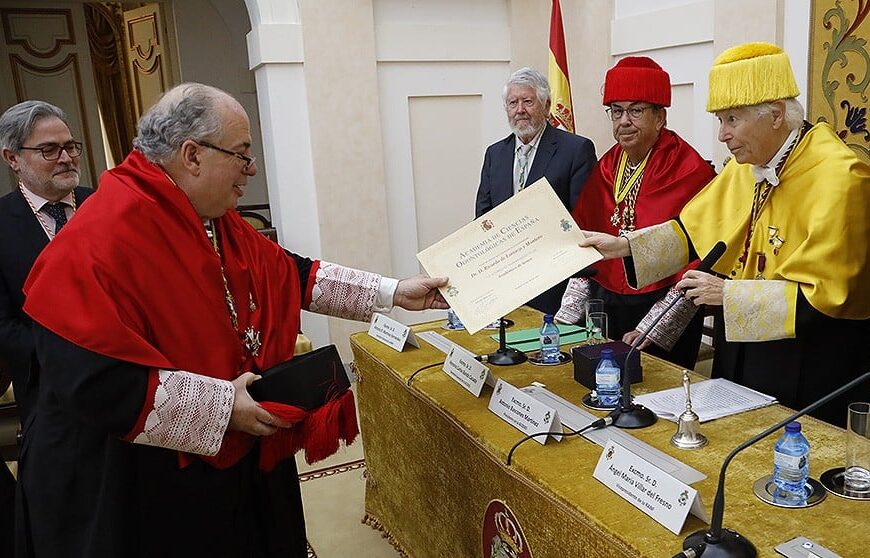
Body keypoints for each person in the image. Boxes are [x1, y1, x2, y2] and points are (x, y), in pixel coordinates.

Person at [17, 83, 448, 558]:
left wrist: (393, 292)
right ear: (192, 155)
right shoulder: (102, 236)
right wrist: (223, 409)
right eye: (242, 154)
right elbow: (93, 381)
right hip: (148, 478)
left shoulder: (207, 214)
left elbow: (290, 272)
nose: (252, 168)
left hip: (242, 454)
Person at [582, 42, 870, 426]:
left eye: (732, 120)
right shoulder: (745, 166)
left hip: (810, 358)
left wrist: (729, 295)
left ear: (776, 115)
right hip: (741, 346)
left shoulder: (841, 177)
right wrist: (624, 247)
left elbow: (828, 298)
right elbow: (693, 231)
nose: (722, 135)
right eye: (721, 120)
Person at [554, 57, 714, 369]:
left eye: (636, 110)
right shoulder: (609, 164)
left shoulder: (688, 168)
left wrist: (654, 325)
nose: (624, 121)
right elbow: (585, 235)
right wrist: (568, 312)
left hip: (663, 304)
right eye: (616, 111)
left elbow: (698, 255)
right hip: (609, 304)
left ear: (660, 116)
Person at [0, 100, 94, 553]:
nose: (67, 158)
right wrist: (70, 350)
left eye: (71, 146)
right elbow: (2, 324)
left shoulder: (107, 205)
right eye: (50, 150)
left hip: (132, 383)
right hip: (50, 399)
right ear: (13, 158)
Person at [476, 67, 596, 314]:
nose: (519, 110)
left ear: (547, 104)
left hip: (554, 285)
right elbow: (483, 218)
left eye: (528, 101)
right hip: (505, 285)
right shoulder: (494, 154)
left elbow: (583, 221)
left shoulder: (576, 150)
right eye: (513, 103)